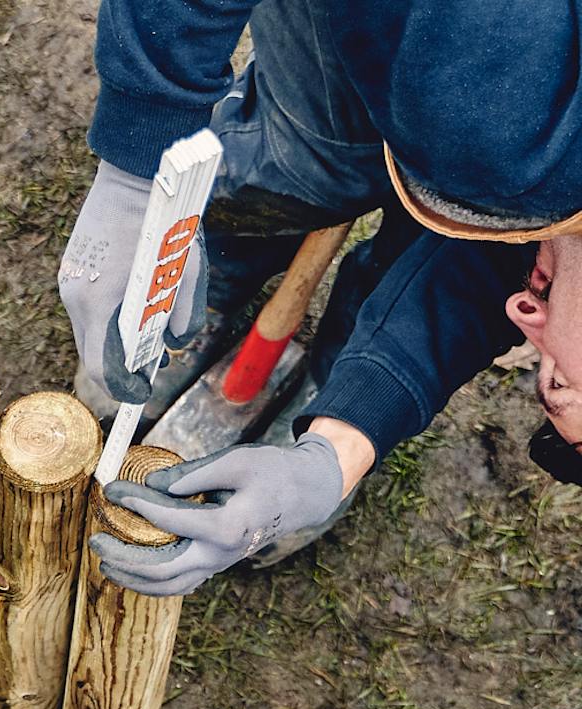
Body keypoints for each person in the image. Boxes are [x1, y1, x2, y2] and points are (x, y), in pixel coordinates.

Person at [59, 0, 582, 597]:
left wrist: (341, 448)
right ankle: (215, 268)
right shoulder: (514, 82)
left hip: (490, 133)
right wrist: (141, 157)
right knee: (315, 162)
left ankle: (333, 377)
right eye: (564, 377)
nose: (520, 317)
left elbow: (496, 251)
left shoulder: (528, 169)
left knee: (454, 207)